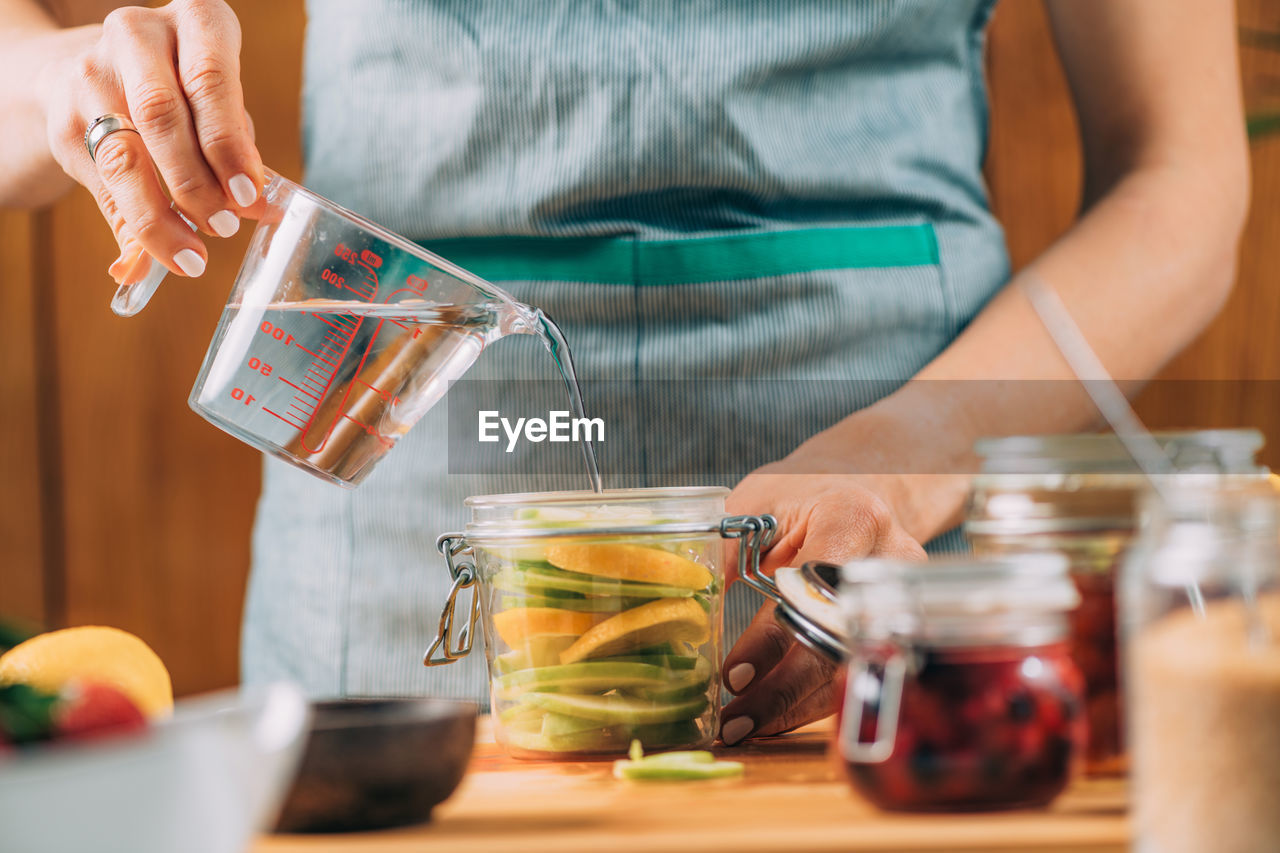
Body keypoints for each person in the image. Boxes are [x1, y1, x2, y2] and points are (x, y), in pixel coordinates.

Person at [0, 0, 1249, 746]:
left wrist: (902, 460)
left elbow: (1180, 182)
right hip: (396, 545)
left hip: (875, 563)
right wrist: (65, 81)